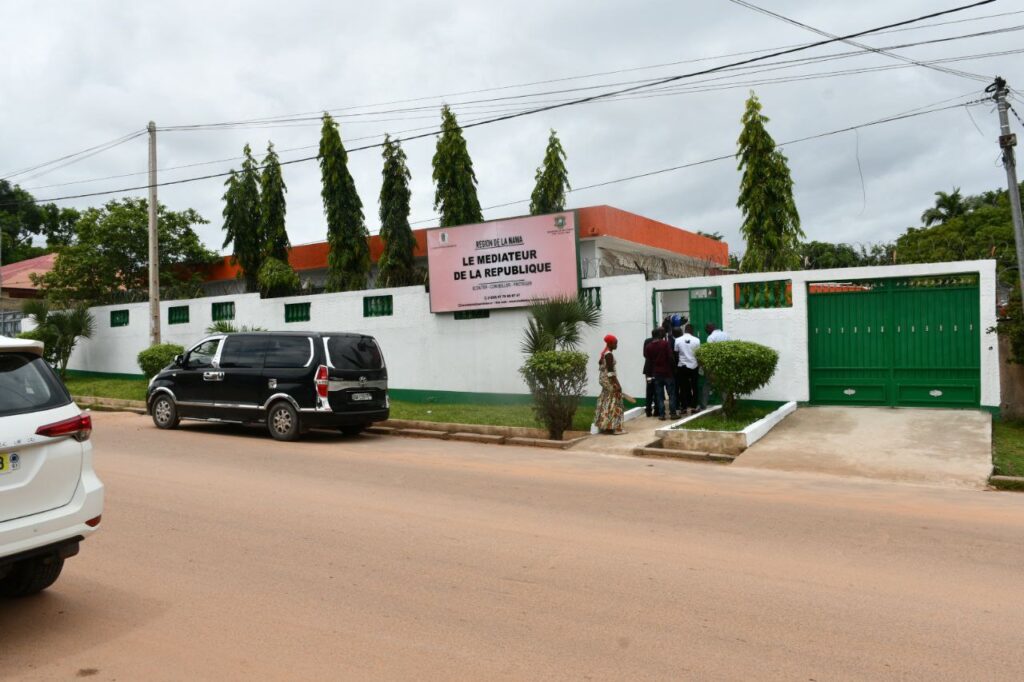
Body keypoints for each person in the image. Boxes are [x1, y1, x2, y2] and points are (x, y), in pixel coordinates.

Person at [643, 328, 678, 420]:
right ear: (659, 334)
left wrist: (650, 373)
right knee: (671, 394)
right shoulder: (665, 344)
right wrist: (674, 368)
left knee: (659, 395)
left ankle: (662, 415)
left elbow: (648, 360)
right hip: (667, 372)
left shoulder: (649, 346)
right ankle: (673, 413)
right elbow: (670, 357)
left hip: (656, 373)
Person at [594, 334, 625, 435]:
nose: (617, 345)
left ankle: (606, 426)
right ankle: (613, 427)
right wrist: (618, 385)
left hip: (604, 381)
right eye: (615, 343)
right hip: (609, 381)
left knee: (606, 402)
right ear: (610, 343)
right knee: (615, 402)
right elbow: (611, 373)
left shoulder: (605, 354)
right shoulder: (609, 355)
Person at [700, 323, 730, 409]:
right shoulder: (726, 335)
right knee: (724, 384)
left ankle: (704, 404)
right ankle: (726, 404)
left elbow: (710, 352)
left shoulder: (711, 337)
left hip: (714, 365)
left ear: (710, 328)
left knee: (707, 384)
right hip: (724, 364)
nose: (706, 331)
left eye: (706, 329)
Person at [674, 323, 701, 414]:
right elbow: (698, 354)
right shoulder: (697, 340)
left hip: (682, 366)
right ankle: (694, 406)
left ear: (685, 330)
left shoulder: (677, 340)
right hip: (694, 366)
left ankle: (684, 407)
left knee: (683, 387)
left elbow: (676, 354)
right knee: (694, 386)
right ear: (692, 331)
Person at [642, 328, 659, 417]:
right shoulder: (660, 342)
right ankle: (656, 409)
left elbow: (644, 354)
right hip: (656, 369)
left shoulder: (647, 341)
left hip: (648, 369)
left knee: (649, 389)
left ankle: (648, 410)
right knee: (657, 389)